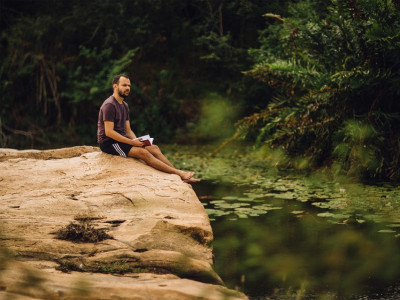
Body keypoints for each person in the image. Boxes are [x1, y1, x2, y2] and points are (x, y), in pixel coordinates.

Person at [97, 74, 200, 183]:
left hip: (122, 141)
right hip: (109, 143)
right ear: (115, 86)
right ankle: (180, 174)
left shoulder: (124, 105)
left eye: (129, 85)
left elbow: (128, 130)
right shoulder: (109, 105)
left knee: (154, 148)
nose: (127, 88)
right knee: (144, 153)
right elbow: (109, 132)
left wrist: (137, 141)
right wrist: (132, 143)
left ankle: (178, 174)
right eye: (124, 85)